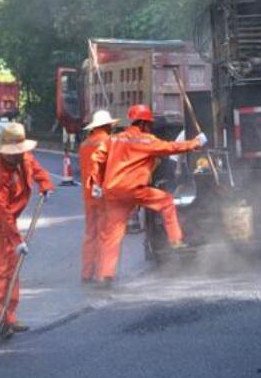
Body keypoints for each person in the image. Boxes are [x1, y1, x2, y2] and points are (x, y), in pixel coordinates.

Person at [90, 104, 207, 286]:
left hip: (112, 191)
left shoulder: (114, 139)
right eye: (149, 124)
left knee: (112, 234)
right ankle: (175, 240)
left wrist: (96, 183)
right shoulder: (147, 140)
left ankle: (105, 276)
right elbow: (172, 147)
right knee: (167, 202)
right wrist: (196, 143)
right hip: (134, 189)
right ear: (144, 123)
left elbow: (96, 158)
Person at [0, 122, 53, 339]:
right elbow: (0, 210)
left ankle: (9, 317)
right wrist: (18, 241)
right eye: (11, 153)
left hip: (8, 221)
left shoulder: (23, 157)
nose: (15, 156)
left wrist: (45, 184)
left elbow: (36, 169)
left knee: (12, 269)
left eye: (18, 152)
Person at [78, 109, 119, 284]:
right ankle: (103, 273)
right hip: (103, 193)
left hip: (89, 195)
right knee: (105, 234)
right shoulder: (109, 143)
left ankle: (87, 273)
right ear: (107, 125)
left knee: (91, 234)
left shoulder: (84, 144)